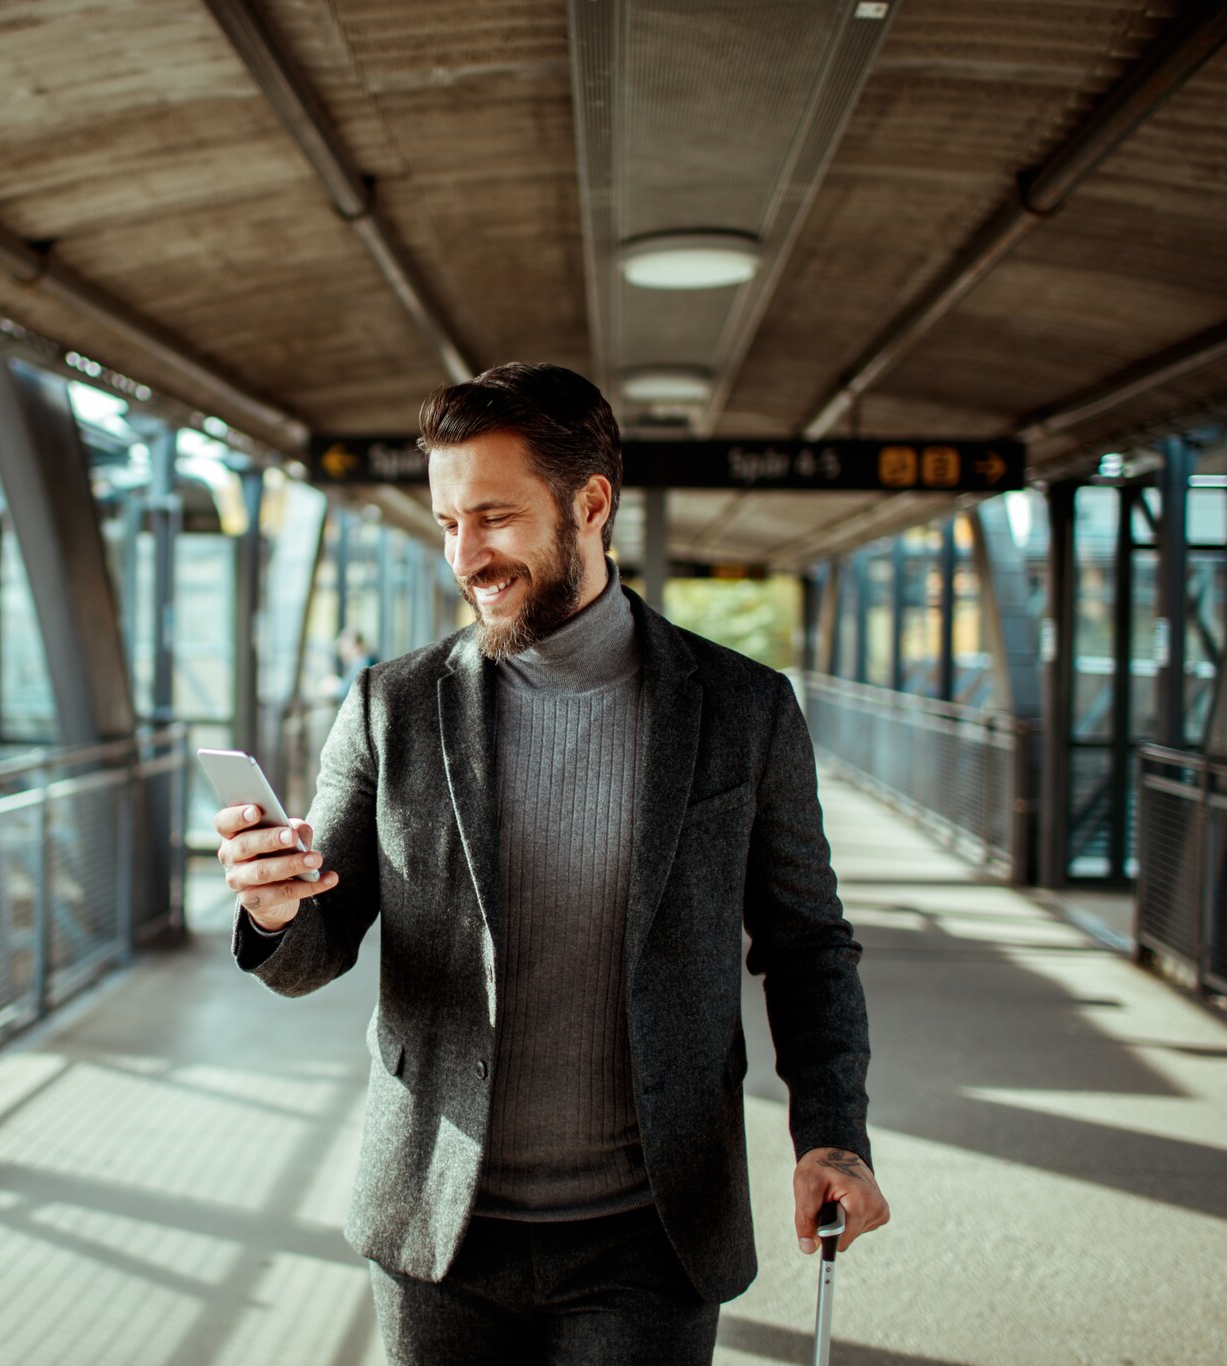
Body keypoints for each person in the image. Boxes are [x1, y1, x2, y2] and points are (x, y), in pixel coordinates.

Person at [217, 363, 887, 1364]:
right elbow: (318, 945)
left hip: (650, 1235)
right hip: (436, 1229)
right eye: (447, 523)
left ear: (590, 503)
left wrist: (829, 1135)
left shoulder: (744, 710)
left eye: (492, 517)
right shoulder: (389, 709)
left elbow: (805, 947)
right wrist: (273, 909)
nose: (464, 555)